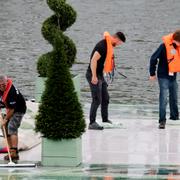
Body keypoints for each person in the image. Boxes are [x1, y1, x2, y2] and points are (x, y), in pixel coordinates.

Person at [86, 31, 126, 130]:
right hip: (93, 74)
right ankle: (92, 123)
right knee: (97, 99)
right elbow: (93, 60)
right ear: (116, 39)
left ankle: (105, 119)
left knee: (105, 98)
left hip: (100, 75)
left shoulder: (108, 46)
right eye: (119, 43)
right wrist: (94, 76)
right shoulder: (102, 46)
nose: (119, 45)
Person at [149, 30, 180, 129]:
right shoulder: (163, 46)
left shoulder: (178, 48)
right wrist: (152, 73)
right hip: (163, 77)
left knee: (174, 97)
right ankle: (162, 121)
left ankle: (174, 118)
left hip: (173, 76)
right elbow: (153, 58)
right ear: (175, 40)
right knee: (163, 98)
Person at [0, 75, 26, 160]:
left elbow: (11, 110)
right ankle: (10, 151)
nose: (2, 86)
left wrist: (5, 119)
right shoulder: (1, 87)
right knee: (4, 127)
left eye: (4, 85)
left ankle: (14, 153)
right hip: (9, 108)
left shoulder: (11, 92)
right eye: (0, 85)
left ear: (6, 82)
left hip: (18, 110)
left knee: (11, 127)